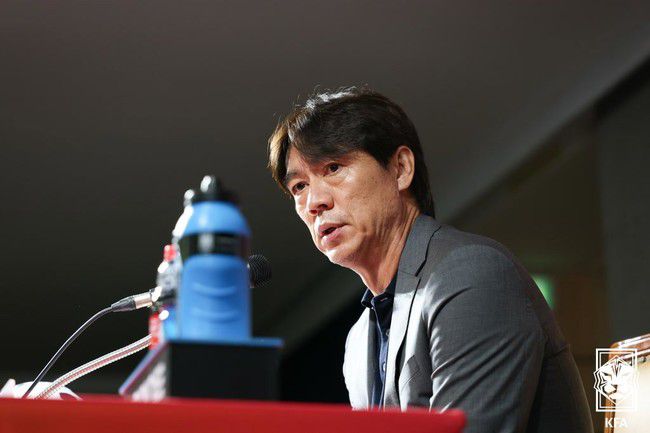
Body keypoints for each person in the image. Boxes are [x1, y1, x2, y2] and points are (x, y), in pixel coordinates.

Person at [267, 87, 593, 433]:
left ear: (400, 169)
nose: (314, 202)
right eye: (299, 187)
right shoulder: (359, 339)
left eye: (333, 167)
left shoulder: (470, 273)